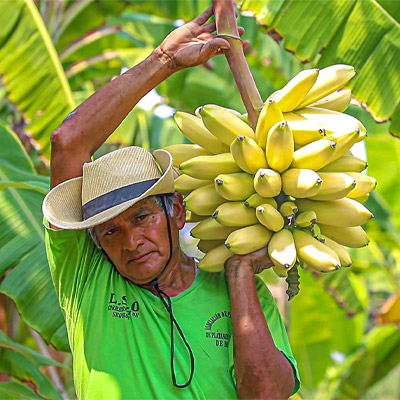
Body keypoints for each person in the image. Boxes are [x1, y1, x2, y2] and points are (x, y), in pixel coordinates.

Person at [42, 7, 300, 400]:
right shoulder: (87, 278)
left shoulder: (242, 296)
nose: (130, 242)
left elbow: (267, 394)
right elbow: (67, 142)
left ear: (176, 211)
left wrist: (240, 275)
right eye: (110, 230)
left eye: (142, 217)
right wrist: (162, 61)